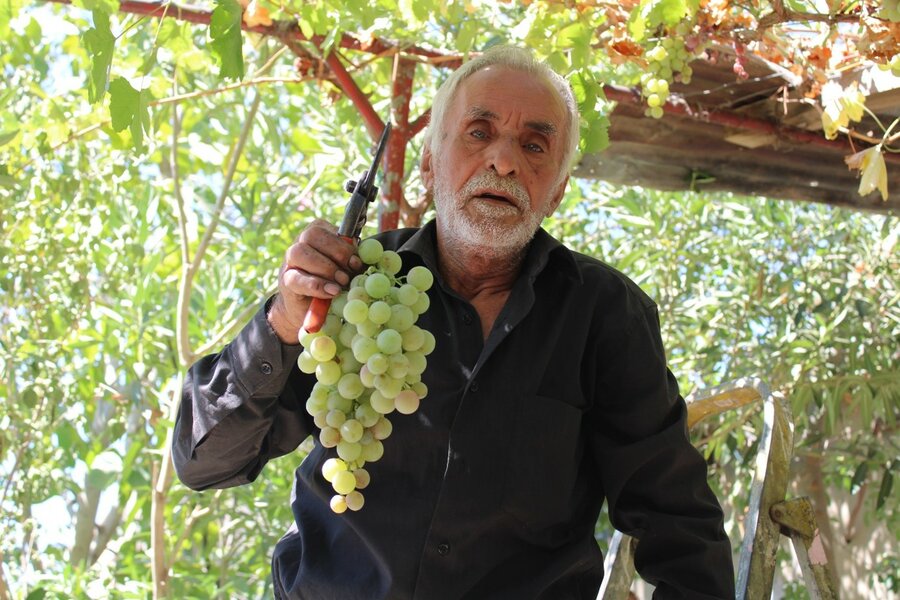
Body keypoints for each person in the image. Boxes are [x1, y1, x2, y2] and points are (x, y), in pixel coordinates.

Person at [173, 46, 735, 599]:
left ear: (557, 192)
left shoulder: (607, 314)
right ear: (429, 164)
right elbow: (204, 462)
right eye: (478, 132)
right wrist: (281, 323)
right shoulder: (349, 288)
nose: (505, 160)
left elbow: (679, 524)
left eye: (534, 145)